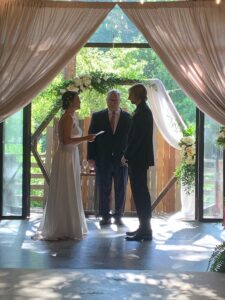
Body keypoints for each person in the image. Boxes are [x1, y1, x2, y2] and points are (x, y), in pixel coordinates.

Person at [34, 91, 96, 240]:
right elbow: (67, 140)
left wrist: (84, 139)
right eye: (77, 99)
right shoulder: (67, 118)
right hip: (66, 156)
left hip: (69, 155)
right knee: (65, 188)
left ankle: (68, 225)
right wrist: (86, 138)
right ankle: (62, 227)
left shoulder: (70, 117)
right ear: (71, 102)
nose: (80, 101)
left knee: (69, 188)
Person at [87, 90, 131, 226]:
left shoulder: (128, 117)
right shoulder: (97, 116)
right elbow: (91, 137)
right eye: (111, 100)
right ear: (106, 101)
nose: (113, 102)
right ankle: (105, 216)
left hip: (122, 160)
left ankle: (118, 216)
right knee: (103, 188)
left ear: (120, 101)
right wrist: (91, 157)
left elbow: (131, 139)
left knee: (121, 189)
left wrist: (128, 156)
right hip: (102, 159)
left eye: (115, 100)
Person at [122, 83, 154, 241]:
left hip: (139, 159)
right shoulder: (142, 111)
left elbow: (137, 139)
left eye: (130, 94)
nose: (128, 97)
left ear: (137, 95)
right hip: (139, 158)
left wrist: (126, 155)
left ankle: (145, 230)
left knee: (141, 194)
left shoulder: (142, 113)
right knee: (140, 193)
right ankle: (143, 228)